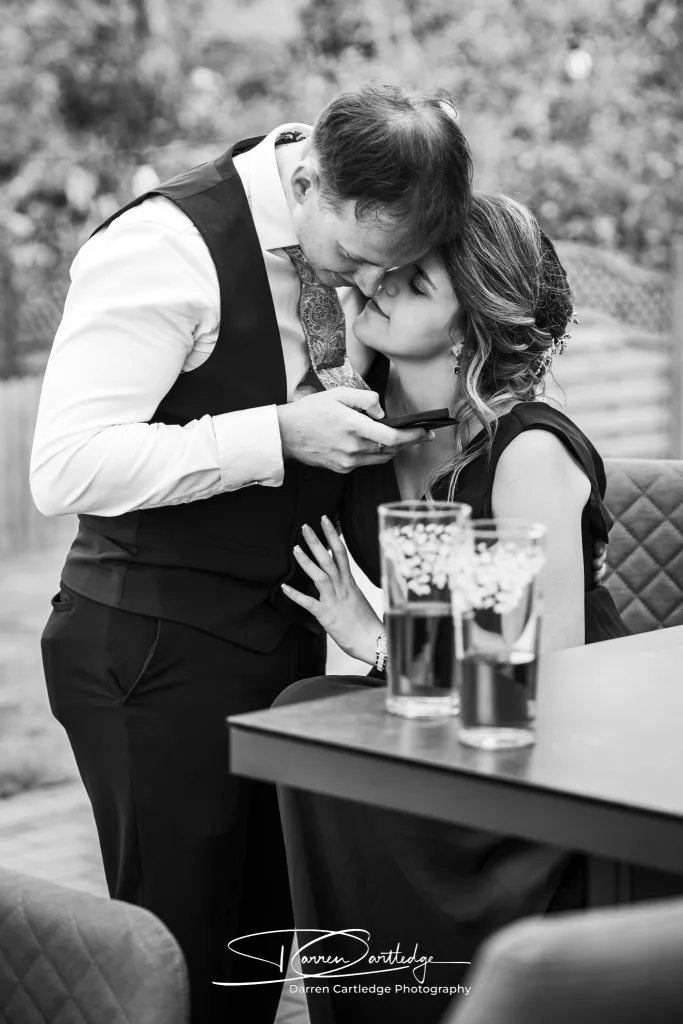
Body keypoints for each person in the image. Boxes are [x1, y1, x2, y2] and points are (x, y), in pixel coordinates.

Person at [29, 83, 474, 1024]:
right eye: (356, 260)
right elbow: (64, 468)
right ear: (308, 177)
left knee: (253, 970)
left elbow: (477, 653)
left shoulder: (475, 427)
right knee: (179, 974)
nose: (366, 288)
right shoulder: (162, 248)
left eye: (395, 275)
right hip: (153, 650)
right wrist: (276, 434)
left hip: (282, 658)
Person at [277, 191, 629, 1024]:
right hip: (448, 714)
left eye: (413, 277)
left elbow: (543, 685)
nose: (379, 281)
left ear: (472, 322)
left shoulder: (526, 452)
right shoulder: (364, 433)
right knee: (304, 722)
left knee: (316, 719)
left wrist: (371, 642)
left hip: (540, 768)